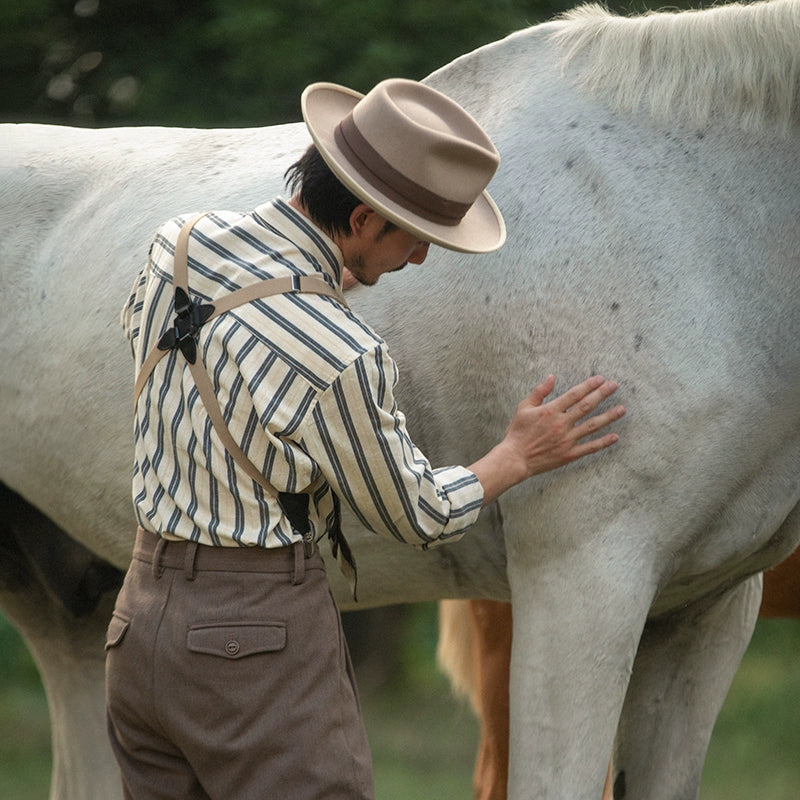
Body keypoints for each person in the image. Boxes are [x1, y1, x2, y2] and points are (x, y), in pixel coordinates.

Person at [106, 78, 625, 800]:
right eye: (417, 238)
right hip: (253, 641)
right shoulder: (341, 352)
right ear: (362, 218)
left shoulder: (179, 244)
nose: (420, 260)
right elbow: (417, 514)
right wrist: (517, 455)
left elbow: (154, 340)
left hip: (139, 622)